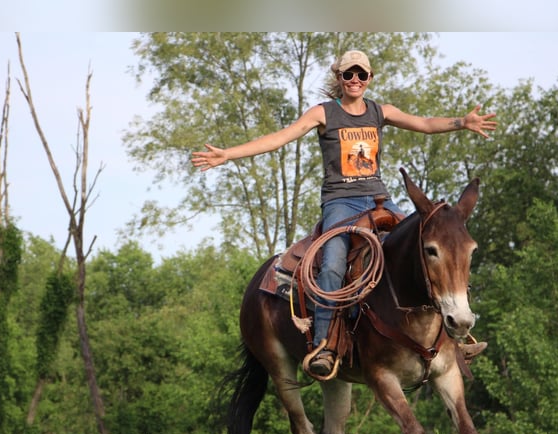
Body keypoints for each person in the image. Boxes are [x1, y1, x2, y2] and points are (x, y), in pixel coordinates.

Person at [192, 50, 496, 378]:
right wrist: (227, 154)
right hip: (341, 203)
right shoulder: (323, 114)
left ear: (369, 79)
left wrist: (462, 123)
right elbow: (278, 139)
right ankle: (324, 344)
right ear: (339, 77)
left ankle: (457, 338)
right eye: (348, 75)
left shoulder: (380, 111)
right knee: (333, 264)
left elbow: (423, 124)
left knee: (428, 247)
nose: (355, 81)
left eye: (361, 75)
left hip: (379, 200)